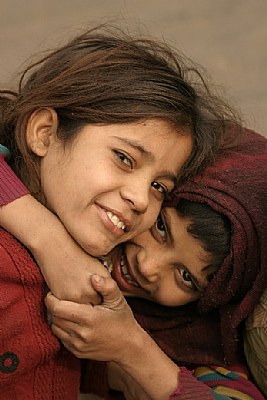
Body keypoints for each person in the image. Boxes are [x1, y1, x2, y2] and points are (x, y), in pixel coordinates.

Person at [0, 25, 235, 399]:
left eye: (160, 187)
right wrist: (46, 237)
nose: (142, 200)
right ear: (44, 133)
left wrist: (128, 354)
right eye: (124, 158)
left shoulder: (96, 297)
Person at [44, 126, 266, 400]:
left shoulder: (200, 347)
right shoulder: (67, 195)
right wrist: (45, 237)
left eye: (186, 277)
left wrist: (132, 348)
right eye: (161, 227)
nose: (148, 267)